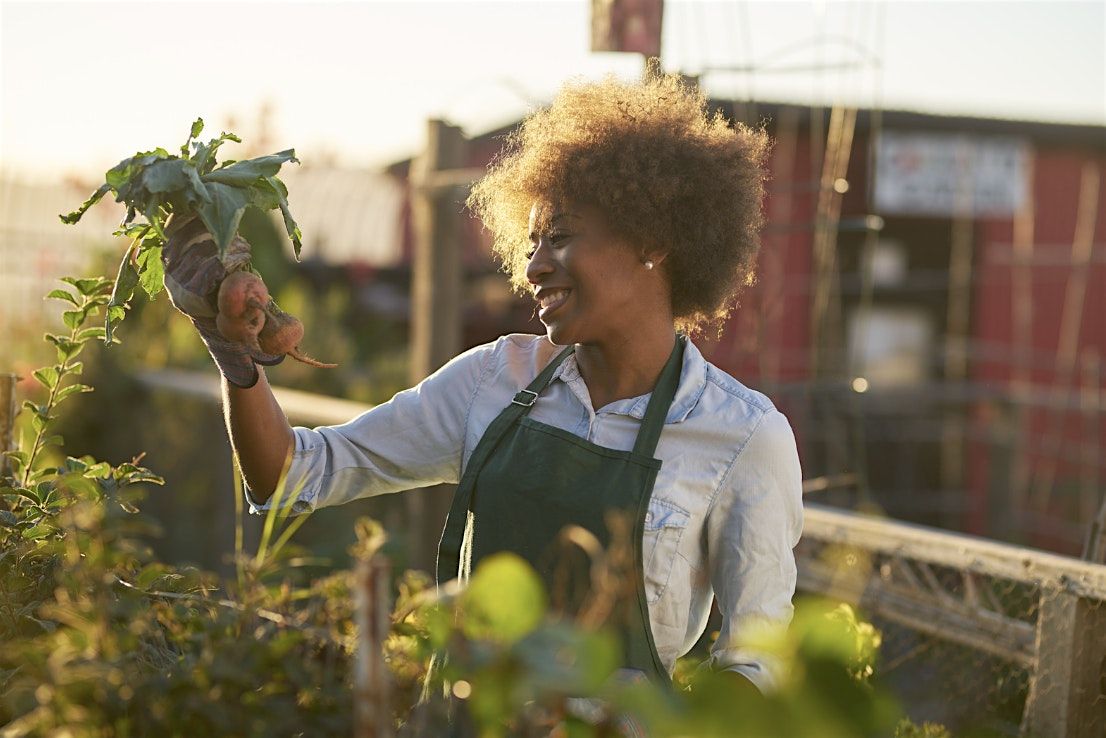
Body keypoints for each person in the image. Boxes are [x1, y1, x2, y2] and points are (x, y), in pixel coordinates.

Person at [164, 67, 802, 700]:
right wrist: (233, 350)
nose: (533, 267)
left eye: (559, 237)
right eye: (529, 244)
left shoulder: (744, 437)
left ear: (652, 242)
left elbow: (756, 668)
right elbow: (291, 475)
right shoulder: (493, 379)